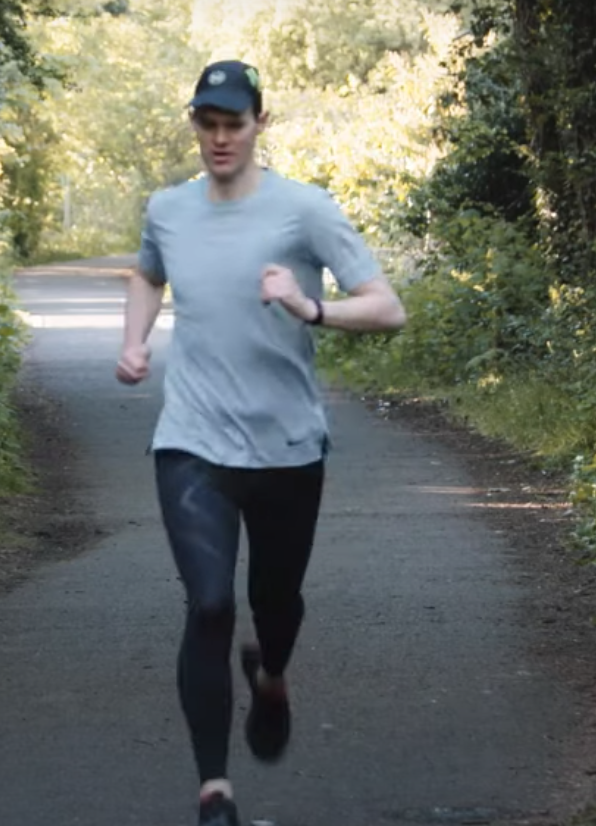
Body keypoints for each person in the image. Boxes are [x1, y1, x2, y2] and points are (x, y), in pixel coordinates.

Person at [114, 59, 408, 826]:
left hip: (286, 447)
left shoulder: (304, 209)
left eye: (233, 125)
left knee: (274, 602)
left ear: (259, 124)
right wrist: (134, 340)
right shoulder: (168, 209)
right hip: (192, 439)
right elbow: (146, 274)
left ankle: (272, 676)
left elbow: (387, 308)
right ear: (195, 125)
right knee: (209, 604)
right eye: (207, 125)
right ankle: (214, 791)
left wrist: (311, 308)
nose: (219, 138)